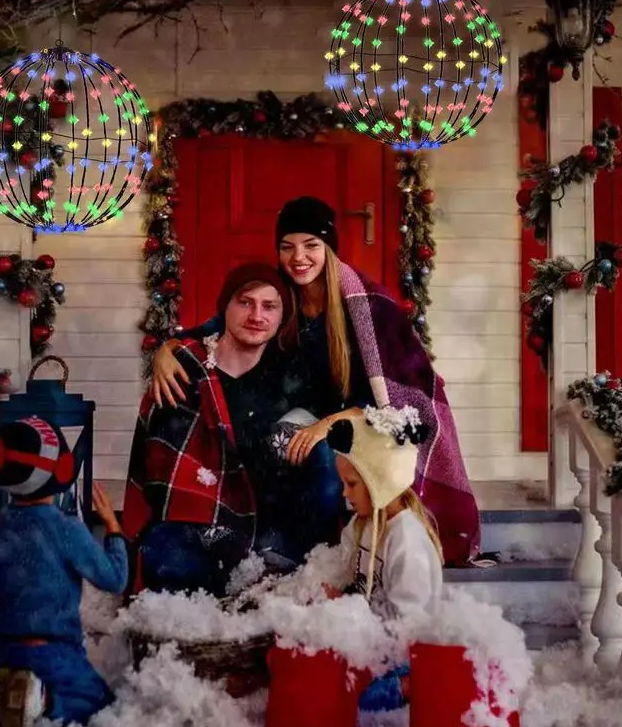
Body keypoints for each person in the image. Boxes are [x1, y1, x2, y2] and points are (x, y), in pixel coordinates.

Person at [151, 196, 480, 566]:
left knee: (322, 456)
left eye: (311, 246)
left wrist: (325, 426)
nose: (298, 257)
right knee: (272, 438)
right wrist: (170, 346)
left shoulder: (366, 305)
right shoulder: (280, 295)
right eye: (287, 247)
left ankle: (324, 561)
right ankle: (270, 551)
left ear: (329, 249)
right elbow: (221, 327)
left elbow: (394, 396)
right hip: (306, 414)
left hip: (365, 420)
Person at [123, 262, 345, 596]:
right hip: (197, 521)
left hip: (267, 522)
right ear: (224, 307)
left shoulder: (290, 377)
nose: (257, 315)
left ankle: (264, 582)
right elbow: (162, 472)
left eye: (269, 306)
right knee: (164, 558)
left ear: (282, 316)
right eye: (245, 302)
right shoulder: (184, 369)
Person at [0, 416, 128, 727]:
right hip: (52, 652)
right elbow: (114, 579)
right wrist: (113, 528)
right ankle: (43, 699)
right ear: (58, 471)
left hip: (3, 651)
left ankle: (11, 695)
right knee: (100, 702)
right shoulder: (66, 528)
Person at [323, 405, 443, 712]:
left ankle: (414, 688)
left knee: (349, 699)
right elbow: (352, 583)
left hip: (401, 658)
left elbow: (408, 626)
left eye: (351, 484)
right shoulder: (361, 526)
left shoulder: (406, 540)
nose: (344, 494)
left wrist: (350, 611)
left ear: (380, 479)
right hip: (370, 643)